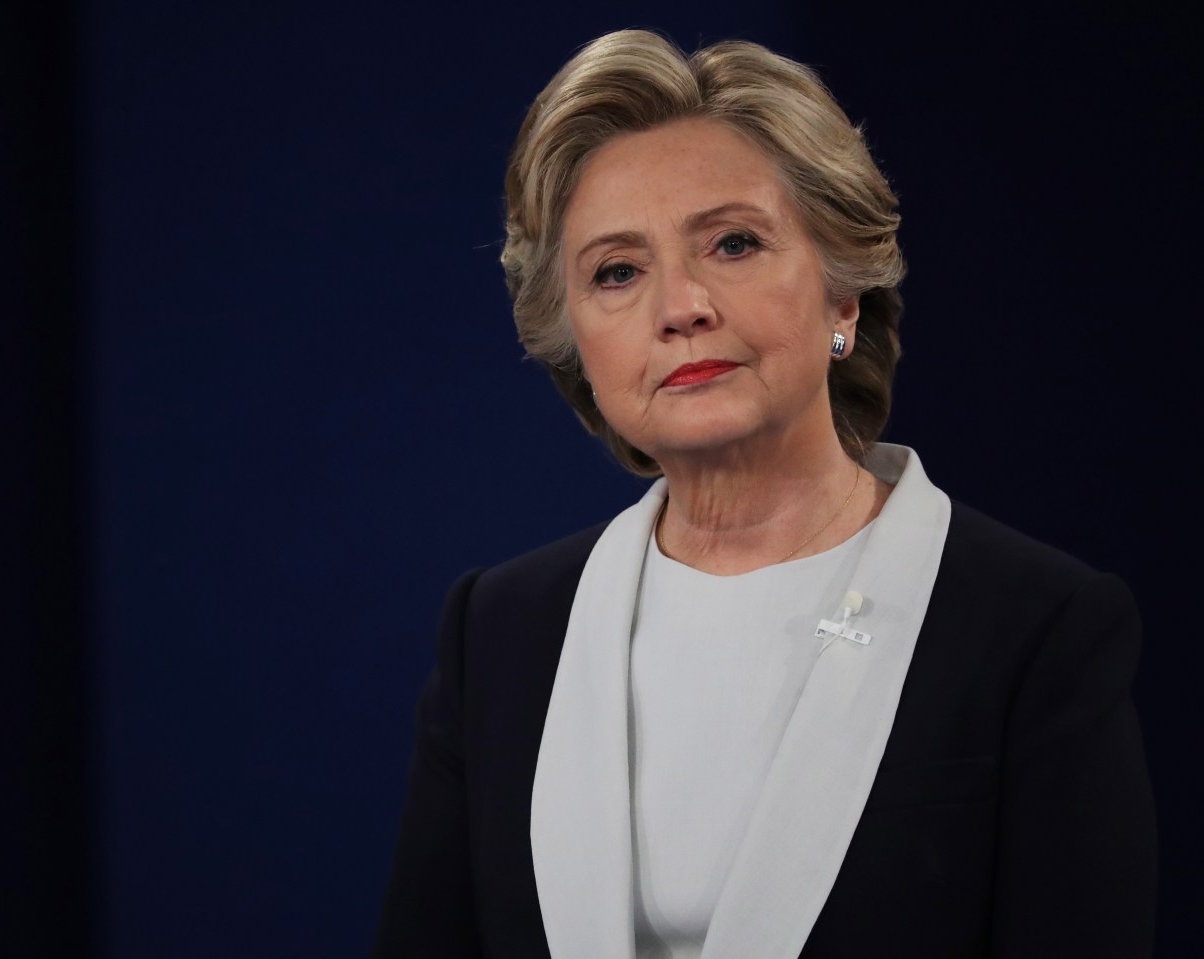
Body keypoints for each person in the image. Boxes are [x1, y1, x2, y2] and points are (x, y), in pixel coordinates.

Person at [372, 29, 1155, 959]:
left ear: (843, 294)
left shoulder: (1037, 627)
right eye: (617, 271)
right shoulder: (499, 630)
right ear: (572, 334)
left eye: (734, 243)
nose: (682, 306)